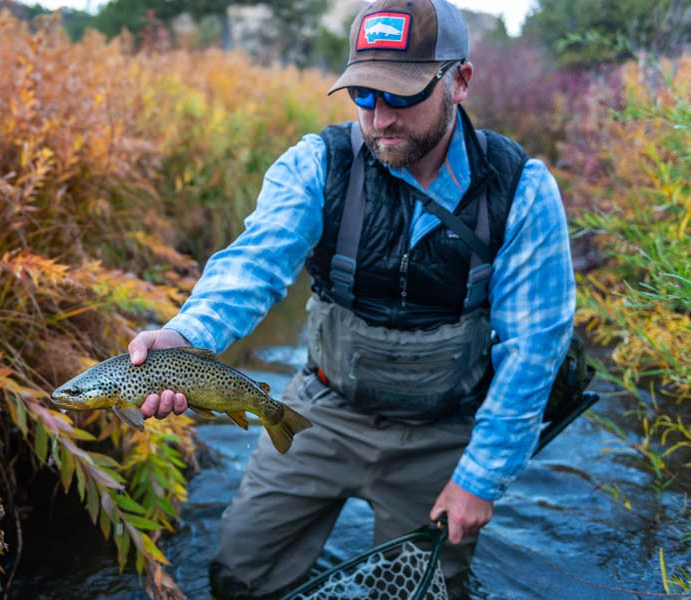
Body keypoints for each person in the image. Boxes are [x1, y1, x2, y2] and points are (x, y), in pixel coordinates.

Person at [128, 0, 575, 597]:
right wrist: (185, 337)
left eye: (402, 94)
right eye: (364, 94)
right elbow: (252, 265)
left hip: (441, 430)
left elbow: (533, 351)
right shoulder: (318, 165)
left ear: (460, 81)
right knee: (239, 575)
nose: (380, 118)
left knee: (428, 590)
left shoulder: (521, 190)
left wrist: (480, 479)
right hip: (322, 408)